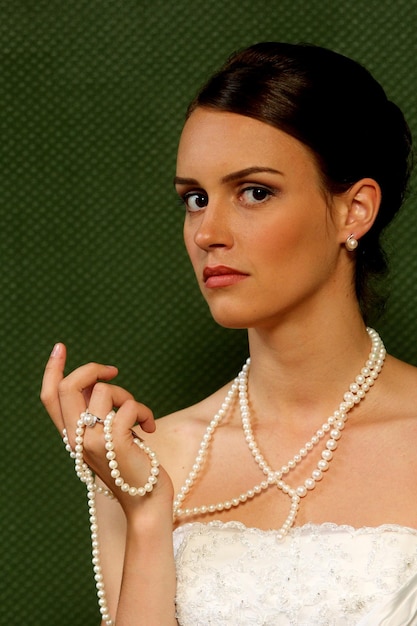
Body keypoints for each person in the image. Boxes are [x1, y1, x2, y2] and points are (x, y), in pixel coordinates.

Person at [41, 42, 417, 625]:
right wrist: (145, 513)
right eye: (195, 199)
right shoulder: (148, 458)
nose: (207, 232)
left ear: (355, 210)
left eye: (255, 192)